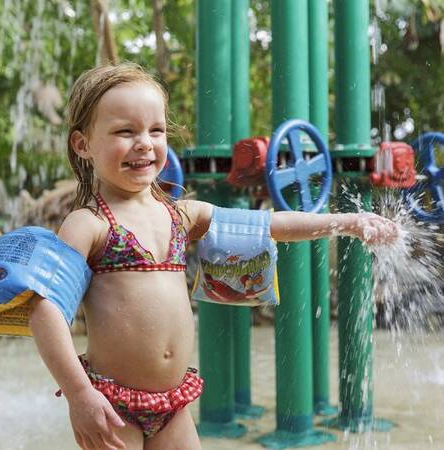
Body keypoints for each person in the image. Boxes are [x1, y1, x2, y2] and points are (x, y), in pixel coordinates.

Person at [29, 62, 398, 450]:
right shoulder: (88, 224)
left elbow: (269, 225)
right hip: (111, 403)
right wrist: (79, 394)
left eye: (156, 130)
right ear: (82, 144)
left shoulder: (182, 215)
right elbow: (45, 309)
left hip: (173, 404)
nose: (144, 142)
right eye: (125, 131)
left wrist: (349, 222)